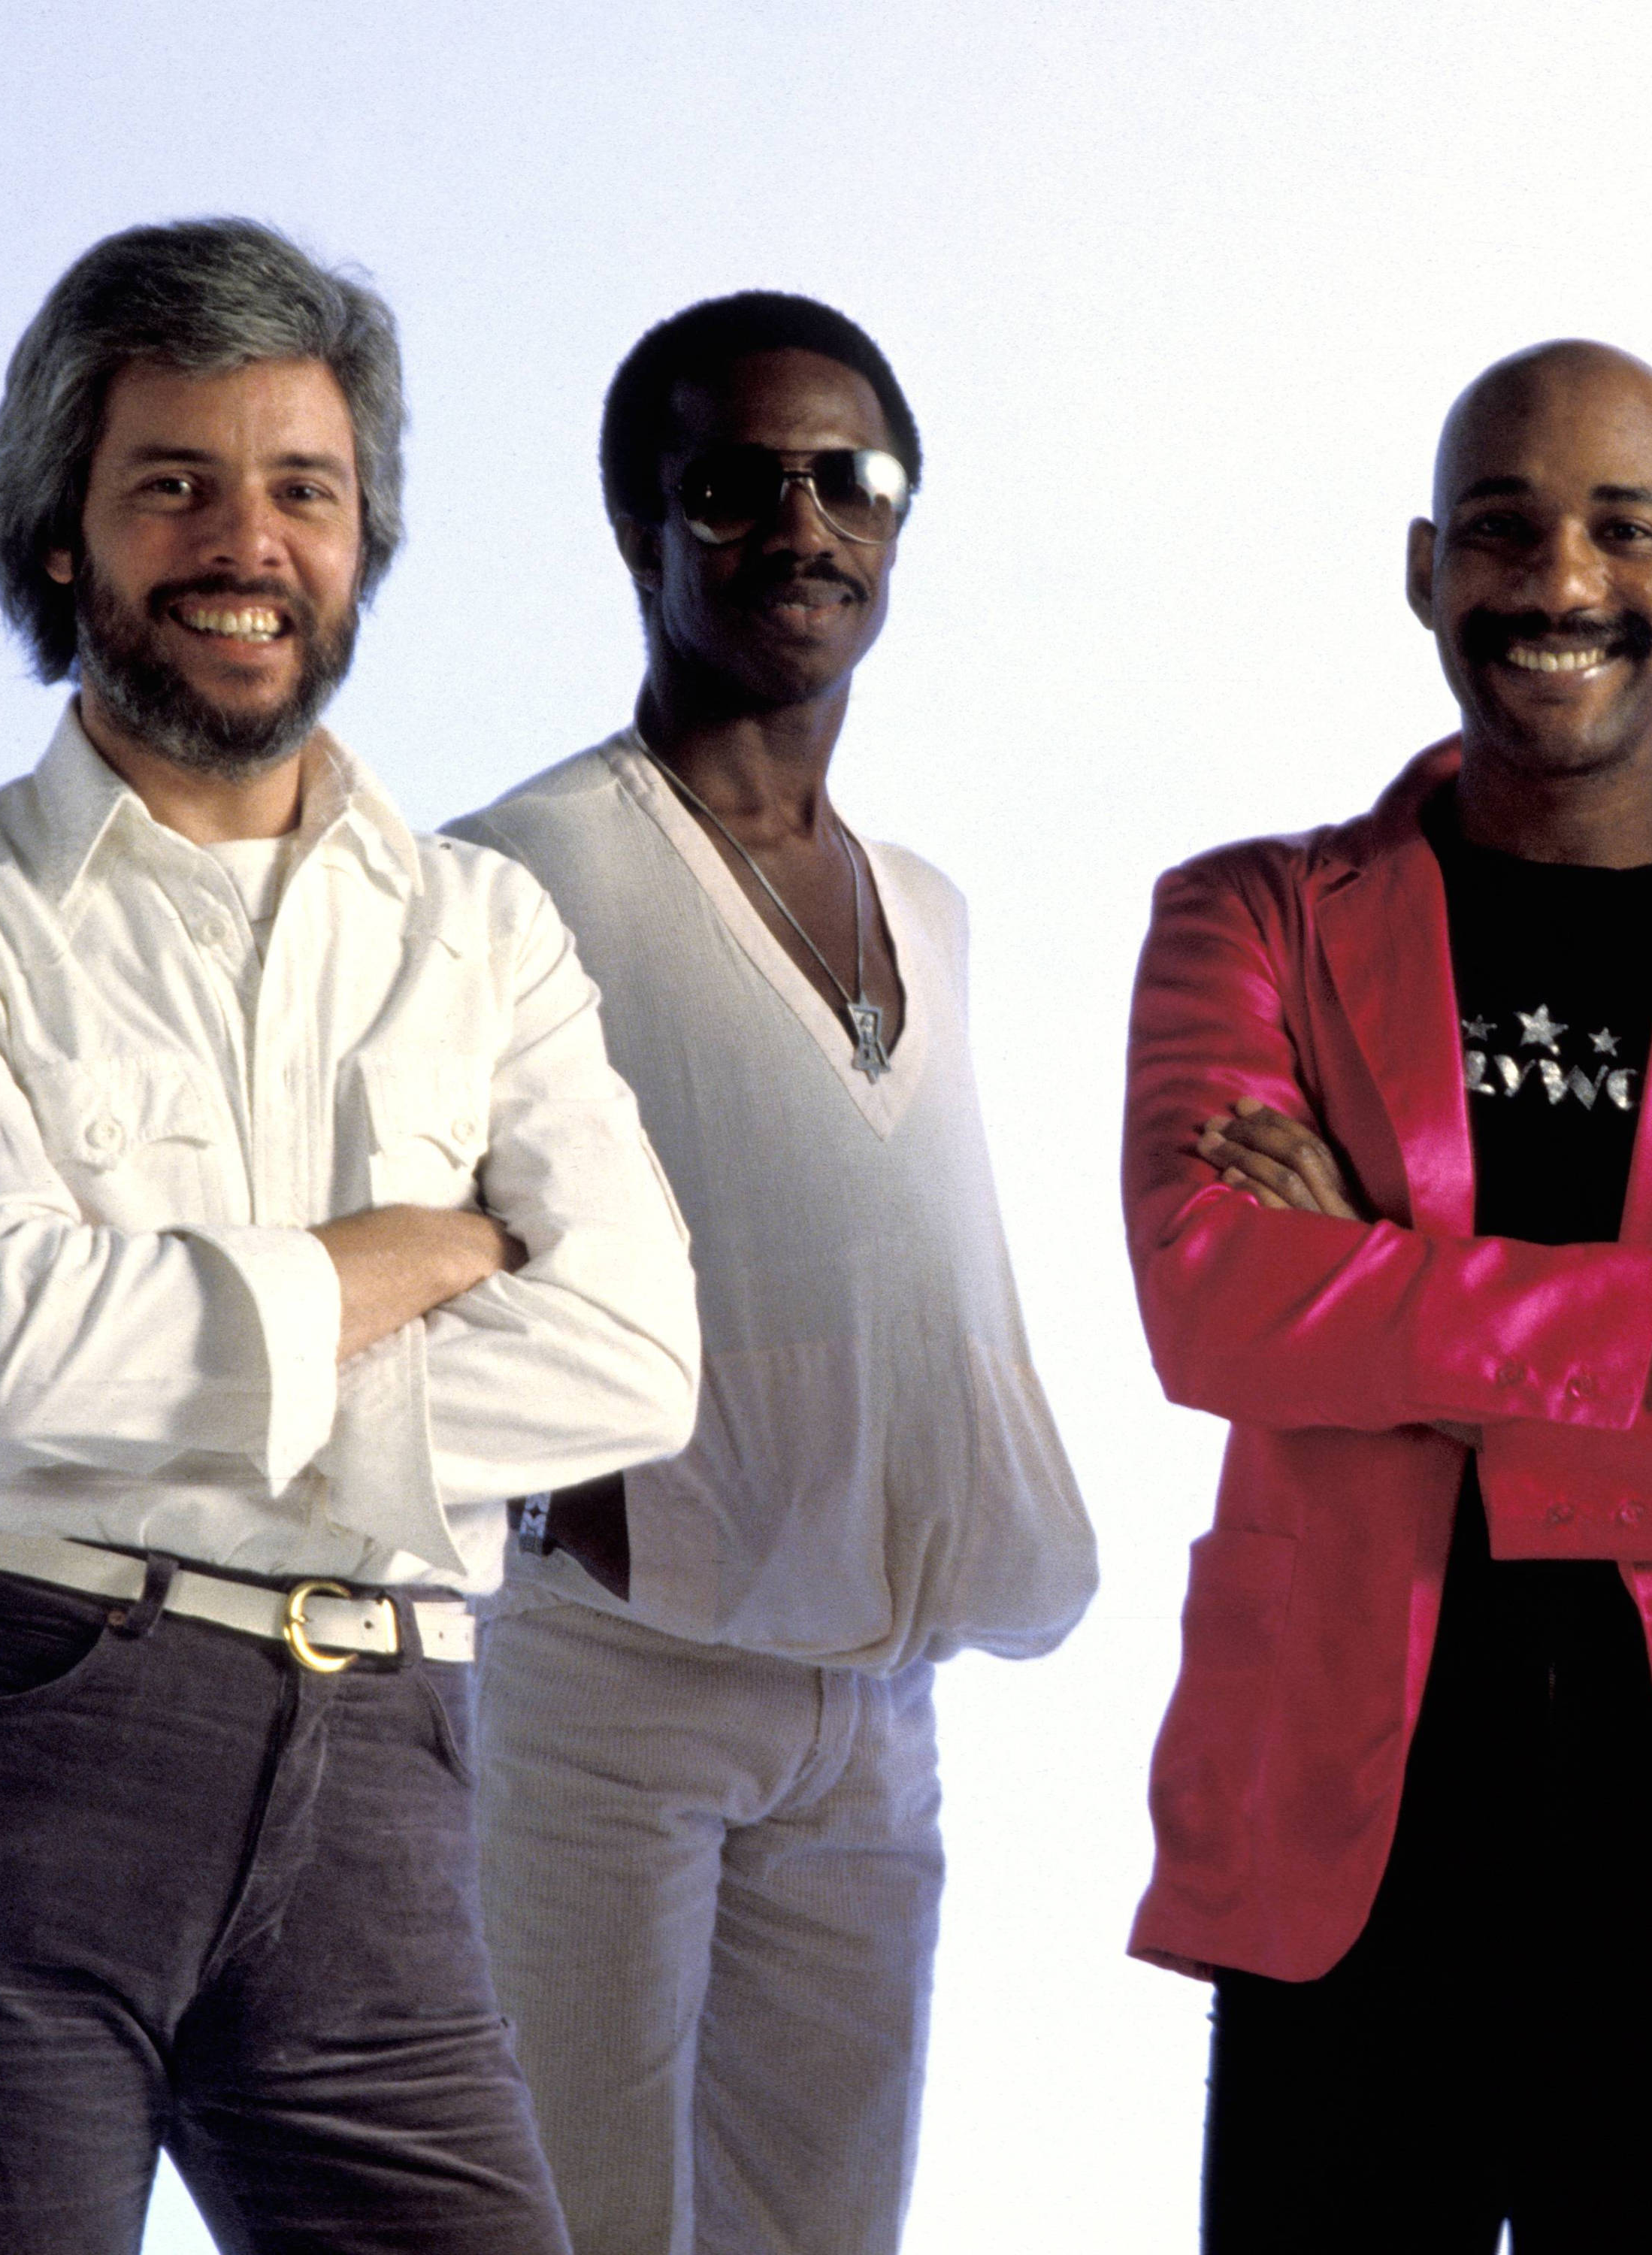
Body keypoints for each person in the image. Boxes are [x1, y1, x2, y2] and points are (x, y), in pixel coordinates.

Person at [1122, 339, 1652, 2250]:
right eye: (1502, 530)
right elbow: (1216, 1307)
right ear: (1425, 568)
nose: (1560, 583)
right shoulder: (1249, 917)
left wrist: (1385, 1297)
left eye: (1622, 531)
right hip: (1343, 1860)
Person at [0, 218, 700, 2253]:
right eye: (174, 484)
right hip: (25, 1744)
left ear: (364, 542)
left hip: (387, 1768)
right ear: (62, 537)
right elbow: (8, 1348)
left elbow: (638, 1358)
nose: (248, 543)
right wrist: (410, 1251)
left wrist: (193, 1378)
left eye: (304, 488)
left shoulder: (483, 931)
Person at [449, 291, 1098, 2255]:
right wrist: (551, 1493)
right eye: (736, 486)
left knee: (827, 2233)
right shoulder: (510, 877)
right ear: (640, 526)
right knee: (564, 2226)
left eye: (850, 479)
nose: (803, 526)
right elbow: (384, 1257)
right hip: (608, 1688)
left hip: (877, 1711)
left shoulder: (931, 909)